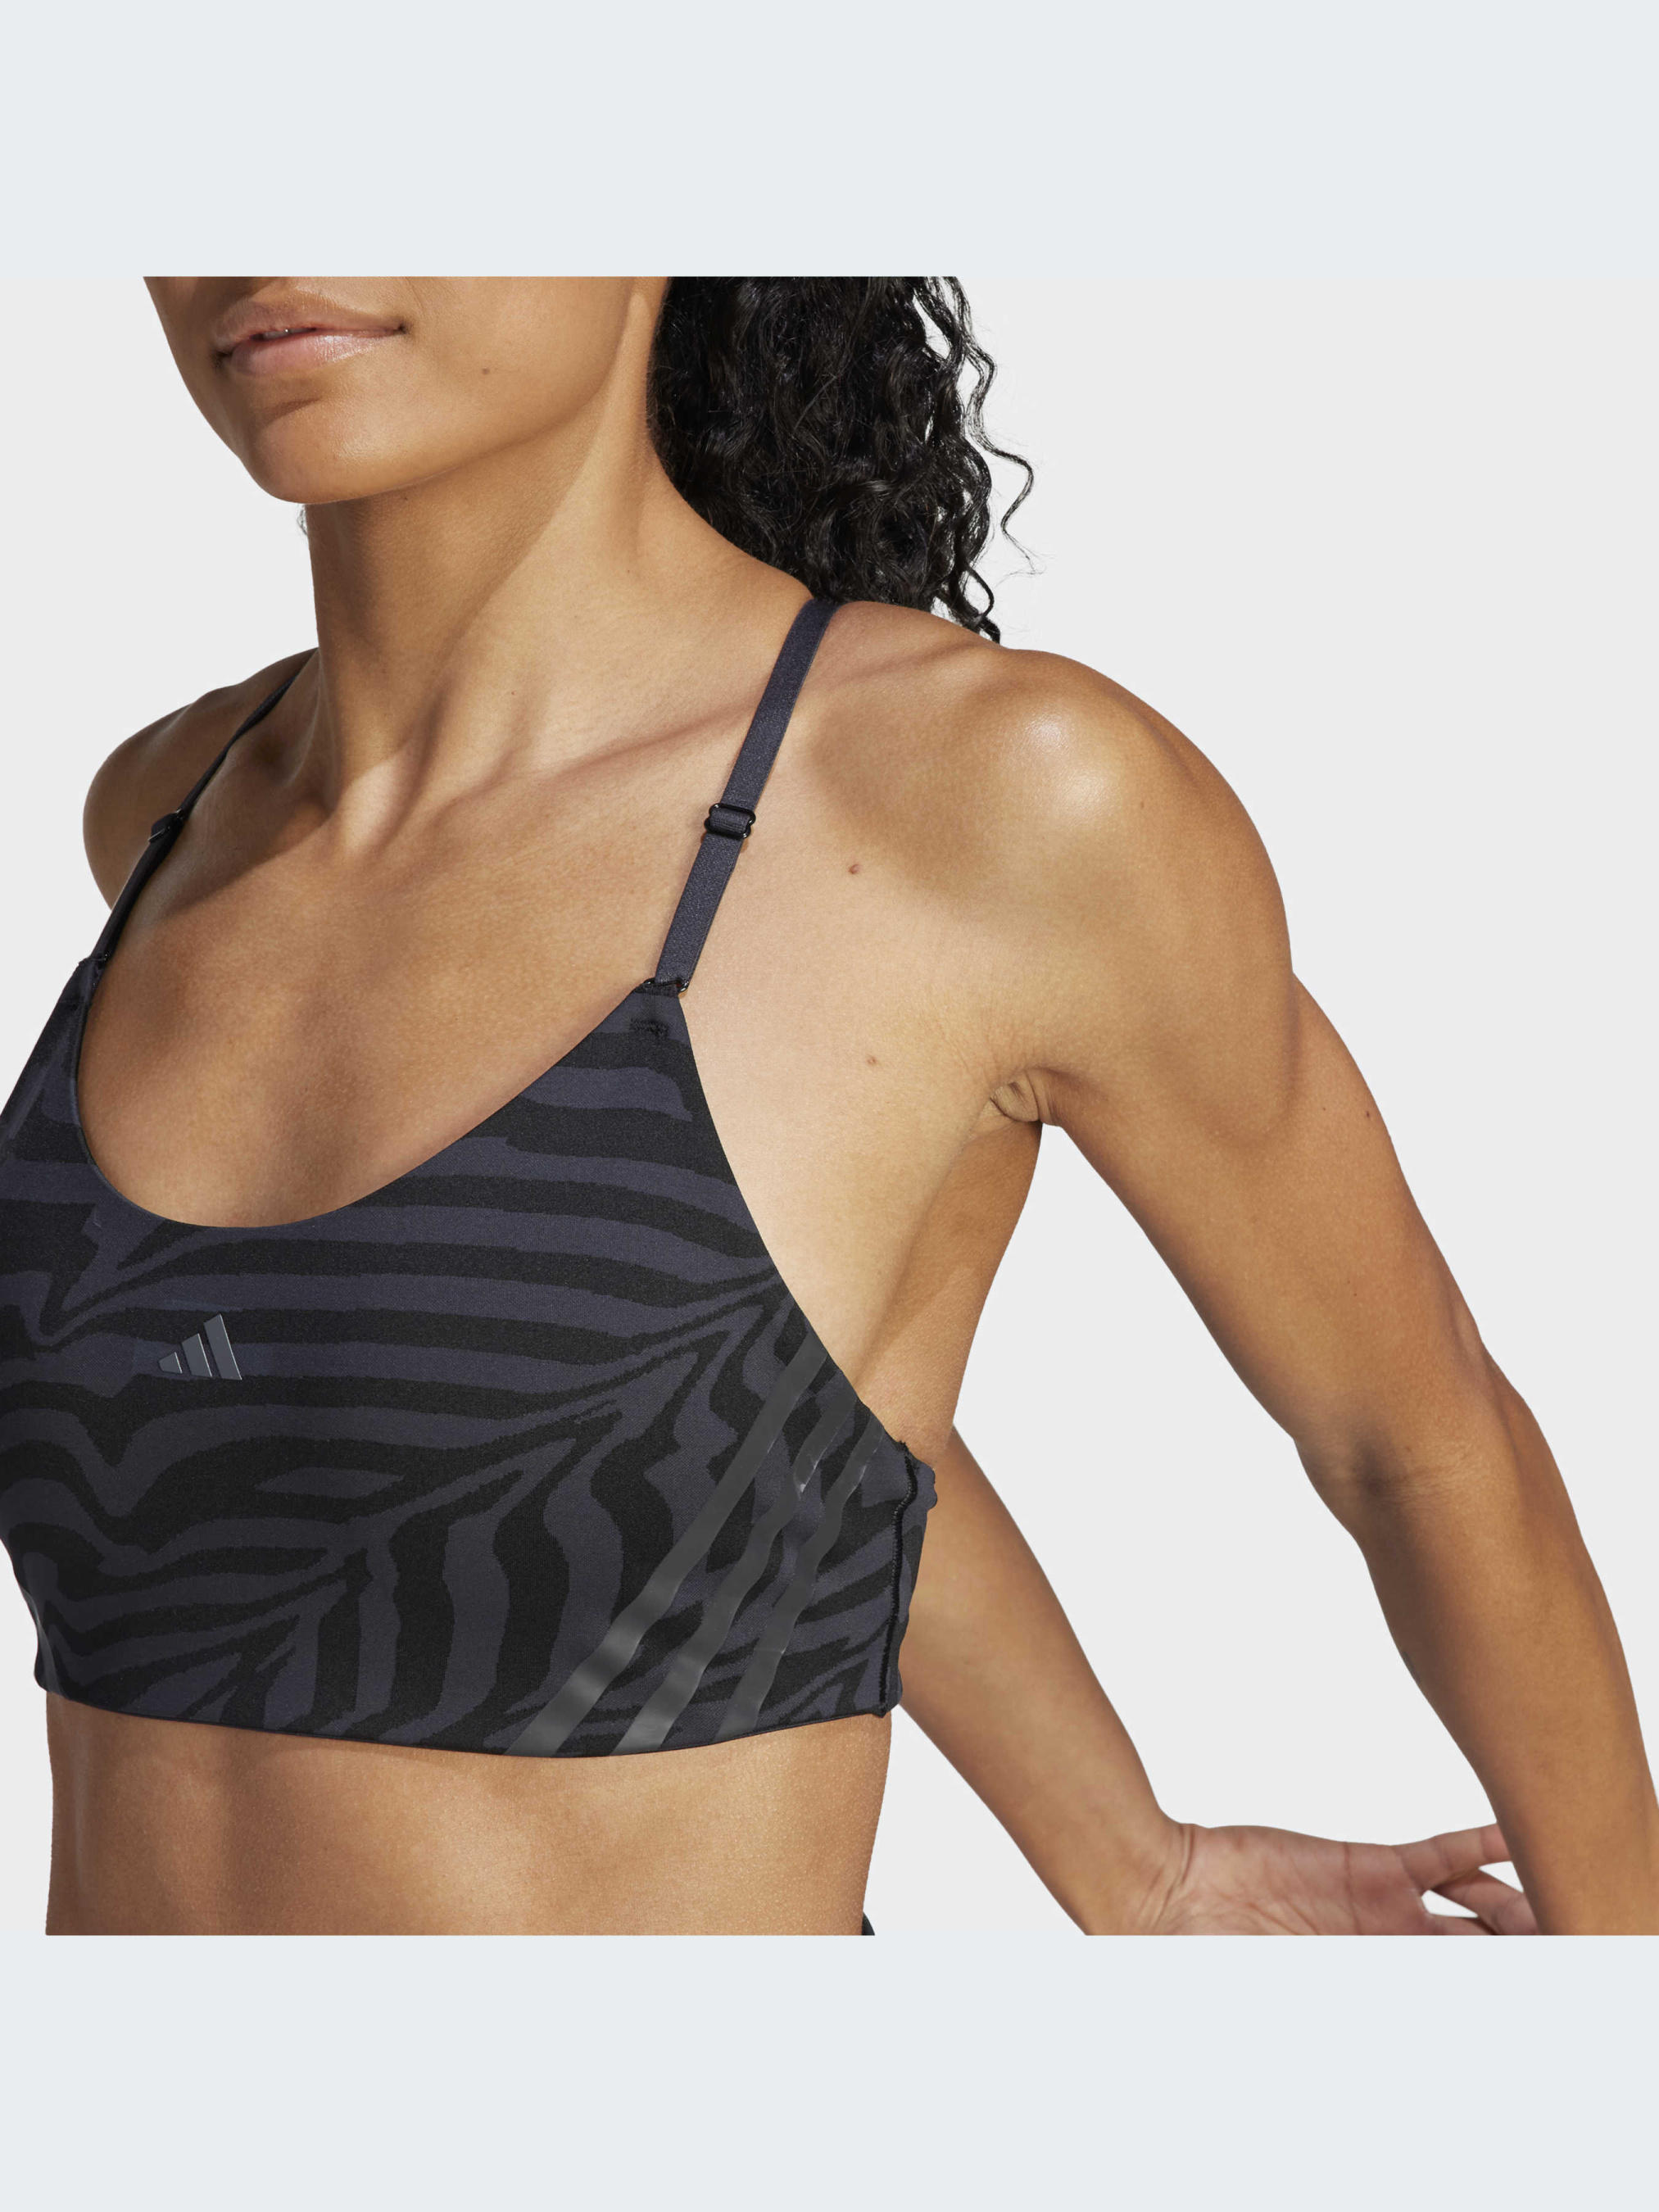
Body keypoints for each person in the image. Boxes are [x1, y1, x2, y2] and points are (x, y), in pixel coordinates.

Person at [0, 278, 1649, 1934]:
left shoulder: (989, 799)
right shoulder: (173, 813)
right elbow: (740, 1410)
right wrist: (1130, 1862)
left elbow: (1414, 1443)